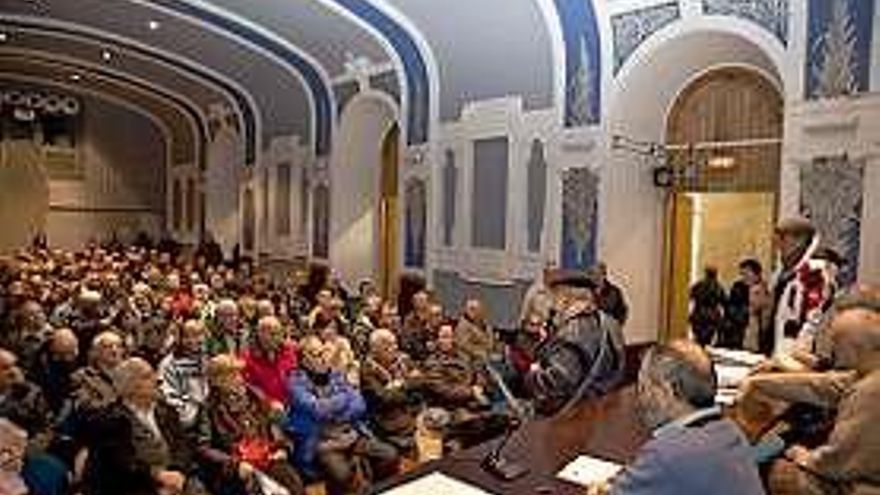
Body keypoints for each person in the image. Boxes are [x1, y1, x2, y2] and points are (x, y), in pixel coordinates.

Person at [739, 293, 880, 494]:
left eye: (836, 342)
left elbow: (838, 461)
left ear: (855, 348)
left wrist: (804, 457)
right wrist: (758, 383)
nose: (832, 349)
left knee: (781, 472)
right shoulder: (867, 370)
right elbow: (819, 384)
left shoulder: (869, 393)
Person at [591, 340, 764, 495]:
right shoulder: (733, 432)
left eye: (644, 387)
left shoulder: (666, 454)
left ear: (665, 392)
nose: (639, 399)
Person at [286, 336, 398, 494]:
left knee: (389, 455)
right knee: (342, 476)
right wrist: (345, 396)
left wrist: (334, 412)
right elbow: (318, 410)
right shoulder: (295, 383)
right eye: (316, 355)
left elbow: (360, 406)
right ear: (304, 361)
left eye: (323, 352)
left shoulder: (336, 375)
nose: (323, 359)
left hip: (350, 434)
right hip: (322, 443)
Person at [81, 357, 207, 495]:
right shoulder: (109, 419)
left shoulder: (166, 411)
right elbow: (120, 464)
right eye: (147, 376)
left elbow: (182, 445)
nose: (158, 380)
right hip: (134, 486)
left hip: (175, 480)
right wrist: (157, 476)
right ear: (129, 386)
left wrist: (177, 472)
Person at [200, 354, 304, 495]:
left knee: (290, 479)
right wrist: (234, 465)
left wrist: (282, 448)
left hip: (266, 457)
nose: (239, 380)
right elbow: (204, 448)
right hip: (238, 466)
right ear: (217, 381)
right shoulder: (208, 408)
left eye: (239, 374)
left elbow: (274, 426)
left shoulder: (255, 395)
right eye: (231, 376)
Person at [526, 275, 626, 415]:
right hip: (602, 409)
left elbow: (557, 383)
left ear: (565, 298)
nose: (553, 304)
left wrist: (533, 372)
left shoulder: (572, 331)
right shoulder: (609, 322)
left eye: (554, 297)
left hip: (575, 416)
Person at [767, 217, 835, 357]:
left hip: (798, 356)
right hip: (780, 349)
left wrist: (793, 358)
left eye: (783, 238)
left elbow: (813, 320)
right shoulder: (785, 272)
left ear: (800, 241)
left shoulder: (814, 271)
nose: (778, 245)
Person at [360, 329, 423, 449]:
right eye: (387, 345)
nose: (394, 348)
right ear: (375, 350)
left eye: (394, 343)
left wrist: (400, 385)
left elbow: (421, 381)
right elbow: (385, 398)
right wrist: (408, 386)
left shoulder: (403, 359)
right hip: (388, 420)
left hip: (412, 409)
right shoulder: (367, 370)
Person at [157, 319, 209, 429]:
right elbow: (168, 396)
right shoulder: (168, 364)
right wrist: (190, 413)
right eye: (188, 336)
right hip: (185, 422)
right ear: (180, 338)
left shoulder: (205, 358)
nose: (195, 340)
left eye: (199, 335)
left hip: (206, 418)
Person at [241, 316, 298, 410]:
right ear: (259, 334)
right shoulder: (247, 358)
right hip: (266, 409)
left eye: (277, 333)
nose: (274, 337)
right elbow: (250, 387)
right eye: (270, 333)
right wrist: (269, 402)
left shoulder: (290, 351)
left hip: (294, 404)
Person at [689, 266, 727, 347]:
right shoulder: (718, 287)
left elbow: (690, 297)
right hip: (712, 316)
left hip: (698, 314)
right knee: (707, 341)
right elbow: (724, 302)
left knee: (698, 340)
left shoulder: (699, 285)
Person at [454, 298, 496, 366]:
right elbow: (464, 346)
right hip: (471, 361)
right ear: (466, 310)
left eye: (475, 309)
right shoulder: (462, 326)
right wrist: (484, 354)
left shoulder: (486, 324)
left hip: (489, 358)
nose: (473, 312)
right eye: (471, 309)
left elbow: (491, 341)